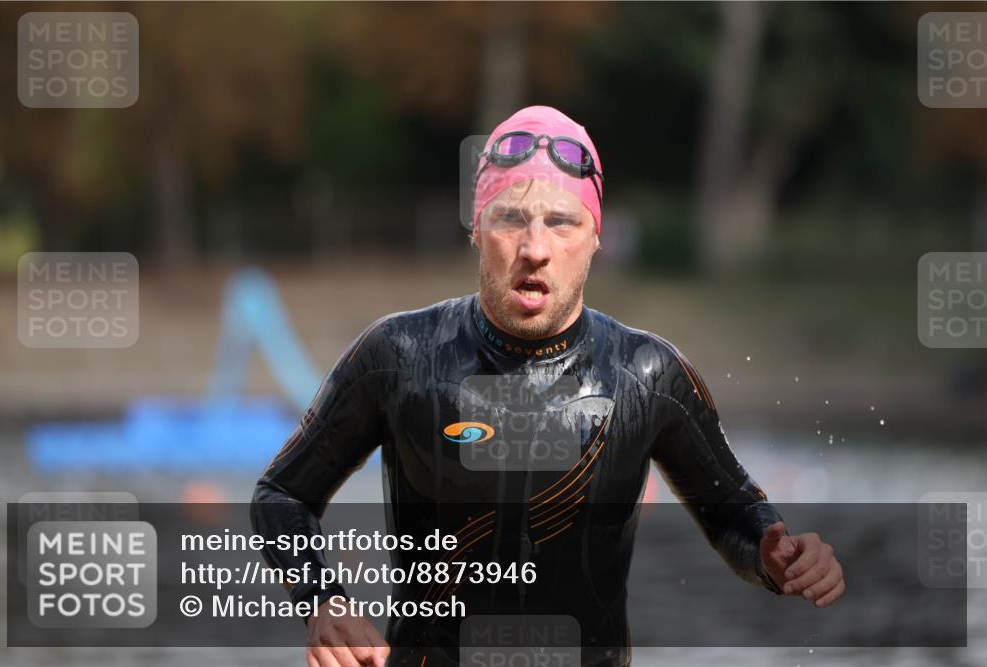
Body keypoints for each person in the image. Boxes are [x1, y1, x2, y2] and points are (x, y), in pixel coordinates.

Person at [251, 105, 845, 667]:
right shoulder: (399, 357)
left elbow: (738, 520)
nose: (535, 249)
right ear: (477, 232)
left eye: (561, 222)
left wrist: (780, 560)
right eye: (510, 219)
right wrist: (321, 601)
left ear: (594, 239)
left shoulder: (647, 374)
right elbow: (282, 496)